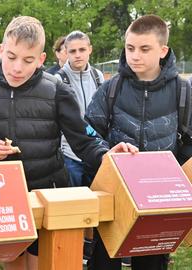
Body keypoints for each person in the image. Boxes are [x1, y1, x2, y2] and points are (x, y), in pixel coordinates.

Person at [0, 16, 138, 270]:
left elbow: (83, 139)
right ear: (1, 50)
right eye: (11, 57)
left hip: (49, 195)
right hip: (4, 199)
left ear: (42, 59)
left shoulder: (56, 90)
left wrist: (106, 154)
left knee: (40, 263)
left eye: (28, 60)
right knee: (12, 262)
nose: (17, 68)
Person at [85, 14, 192, 270]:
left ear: (163, 50)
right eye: (130, 48)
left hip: (160, 201)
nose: (135, 55)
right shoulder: (110, 89)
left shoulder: (183, 91)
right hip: (114, 196)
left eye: (145, 49)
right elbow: (86, 132)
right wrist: (105, 152)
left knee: (152, 264)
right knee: (104, 263)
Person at [55, 30, 105, 187]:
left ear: (90, 49)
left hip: (96, 149)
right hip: (70, 154)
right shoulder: (58, 80)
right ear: (66, 53)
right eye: (73, 51)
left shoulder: (98, 76)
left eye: (82, 50)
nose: (78, 55)